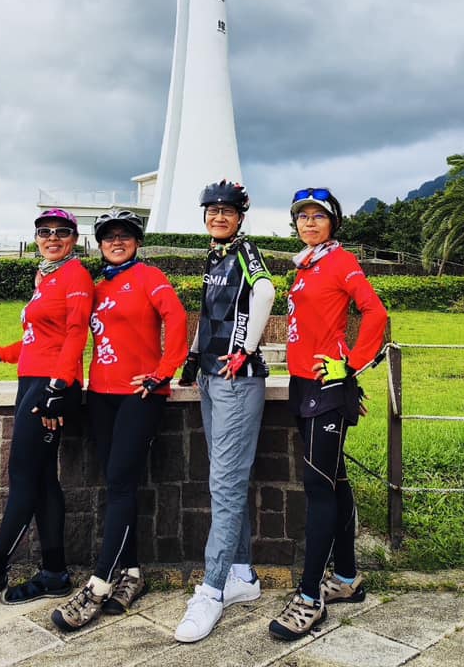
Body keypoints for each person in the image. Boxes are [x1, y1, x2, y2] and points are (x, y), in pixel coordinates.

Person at [0, 209, 94, 613]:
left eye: (62, 232)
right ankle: (55, 573)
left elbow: (77, 333)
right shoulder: (47, 278)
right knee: (43, 479)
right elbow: (35, 338)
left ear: (74, 238)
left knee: (23, 477)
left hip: (50, 386)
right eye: (45, 232)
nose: (53, 237)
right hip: (34, 380)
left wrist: (59, 389)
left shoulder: (75, 275)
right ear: (37, 238)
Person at [51, 209, 188, 631]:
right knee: (115, 484)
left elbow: (178, 319)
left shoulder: (150, 276)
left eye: (125, 235)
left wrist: (163, 371)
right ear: (100, 243)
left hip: (139, 395)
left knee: (123, 483)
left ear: (137, 241)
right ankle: (131, 573)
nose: (116, 241)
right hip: (101, 396)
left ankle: (98, 582)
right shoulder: (94, 287)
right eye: (109, 236)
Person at [268, 188, 388, 641]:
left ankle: (309, 596)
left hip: (326, 386)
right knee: (333, 478)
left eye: (319, 217)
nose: (309, 223)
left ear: (333, 222)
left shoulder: (341, 261)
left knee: (318, 485)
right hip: (304, 385)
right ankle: (347, 578)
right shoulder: (304, 265)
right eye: (302, 217)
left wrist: (351, 366)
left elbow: (375, 312)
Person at [174, 180, 275, 643]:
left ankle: (212, 590)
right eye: (212, 211)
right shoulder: (214, 258)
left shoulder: (246, 252)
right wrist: (195, 356)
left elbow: (267, 293)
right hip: (211, 377)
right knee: (224, 474)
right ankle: (242, 574)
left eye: (227, 211)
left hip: (237, 378)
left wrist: (245, 349)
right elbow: (207, 313)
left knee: (226, 481)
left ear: (240, 217)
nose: (219, 217)